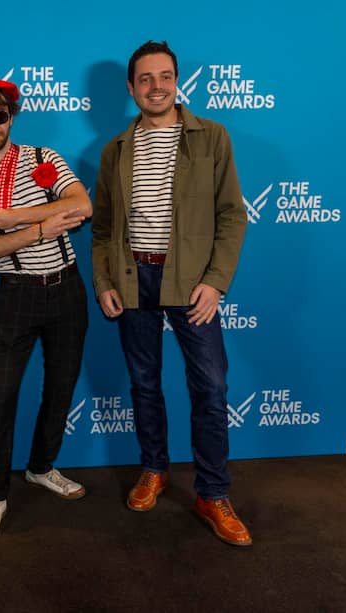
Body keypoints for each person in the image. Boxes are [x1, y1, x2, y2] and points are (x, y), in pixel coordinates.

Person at [91, 41, 251, 546]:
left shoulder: (211, 137)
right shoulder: (116, 149)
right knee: (144, 383)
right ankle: (154, 469)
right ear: (131, 87)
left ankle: (212, 492)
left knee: (211, 388)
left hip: (192, 284)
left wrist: (215, 281)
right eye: (145, 79)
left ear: (177, 81)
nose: (155, 86)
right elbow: (101, 230)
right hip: (135, 278)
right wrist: (105, 280)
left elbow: (232, 215)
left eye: (164, 77)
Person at [0, 79, 92, 541]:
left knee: (61, 386)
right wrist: (43, 226)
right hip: (16, 293)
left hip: (68, 288)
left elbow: (81, 205)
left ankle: (40, 467)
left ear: (11, 117)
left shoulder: (43, 158)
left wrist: (14, 218)